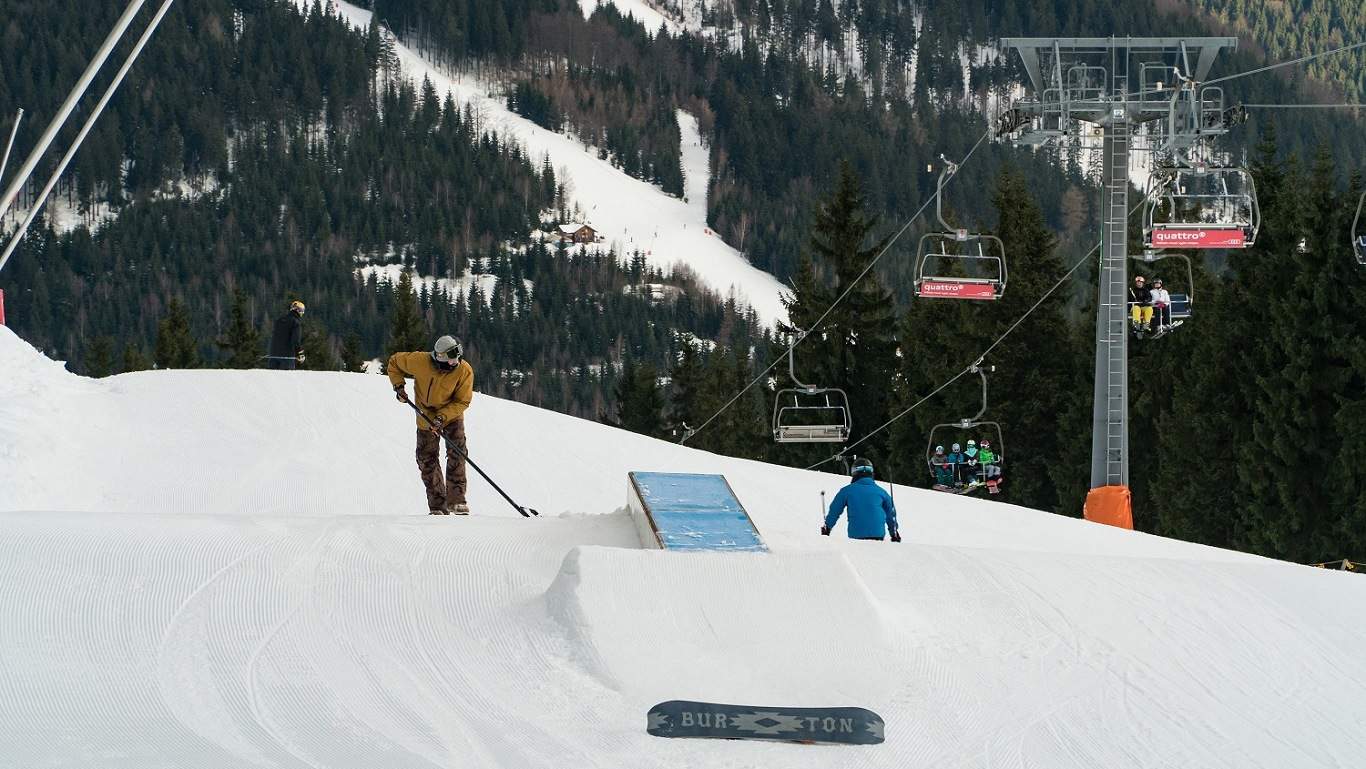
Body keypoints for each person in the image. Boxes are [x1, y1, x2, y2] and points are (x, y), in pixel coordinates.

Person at [389, 336, 474, 515]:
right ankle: (438, 505)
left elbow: (463, 401)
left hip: (451, 415)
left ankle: (456, 501)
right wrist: (399, 387)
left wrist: (442, 418)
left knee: (457, 452)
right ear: (440, 357)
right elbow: (394, 362)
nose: (456, 361)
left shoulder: (464, 370)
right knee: (426, 458)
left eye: (458, 356)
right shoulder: (420, 361)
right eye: (452, 357)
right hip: (425, 415)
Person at [822, 460, 899, 542]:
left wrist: (827, 527)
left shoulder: (846, 491)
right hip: (878, 534)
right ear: (871, 472)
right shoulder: (881, 492)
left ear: (854, 472)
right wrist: (894, 533)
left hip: (856, 535)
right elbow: (891, 513)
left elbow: (835, 510)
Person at [266, 300, 306, 369]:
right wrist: (300, 353)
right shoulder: (295, 323)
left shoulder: (279, 320)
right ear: (298, 310)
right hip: (287, 357)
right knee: (286, 378)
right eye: (302, 310)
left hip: (273, 355)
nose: (302, 312)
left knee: (272, 378)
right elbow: (295, 341)